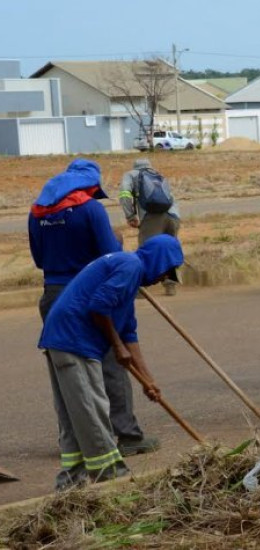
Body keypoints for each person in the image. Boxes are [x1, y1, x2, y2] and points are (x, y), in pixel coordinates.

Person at [28, 159, 160, 459]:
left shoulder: (37, 212)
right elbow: (109, 253)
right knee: (114, 362)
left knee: (66, 372)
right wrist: (118, 240)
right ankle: (127, 435)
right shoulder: (90, 209)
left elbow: (38, 259)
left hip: (52, 295)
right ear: (90, 184)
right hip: (89, 294)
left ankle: (75, 441)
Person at [39, 235, 184, 490]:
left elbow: (129, 334)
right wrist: (116, 347)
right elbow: (99, 306)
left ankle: (71, 483)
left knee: (75, 416)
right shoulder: (130, 266)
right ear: (159, 262)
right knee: (91, 407)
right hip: (73, 341)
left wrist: (148, 381)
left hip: (63, 340)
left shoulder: (130, 278)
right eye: (166, 273)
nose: (163, 279)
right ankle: (111, 476)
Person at [119, 159, 181, 295]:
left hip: (153, 217)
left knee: (146, 250)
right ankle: (170, 286)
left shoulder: (131, 174)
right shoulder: (158, 175)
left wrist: (130, 216)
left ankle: (142, 290)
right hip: (174, 216)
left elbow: (124, 194)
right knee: (168, 250)